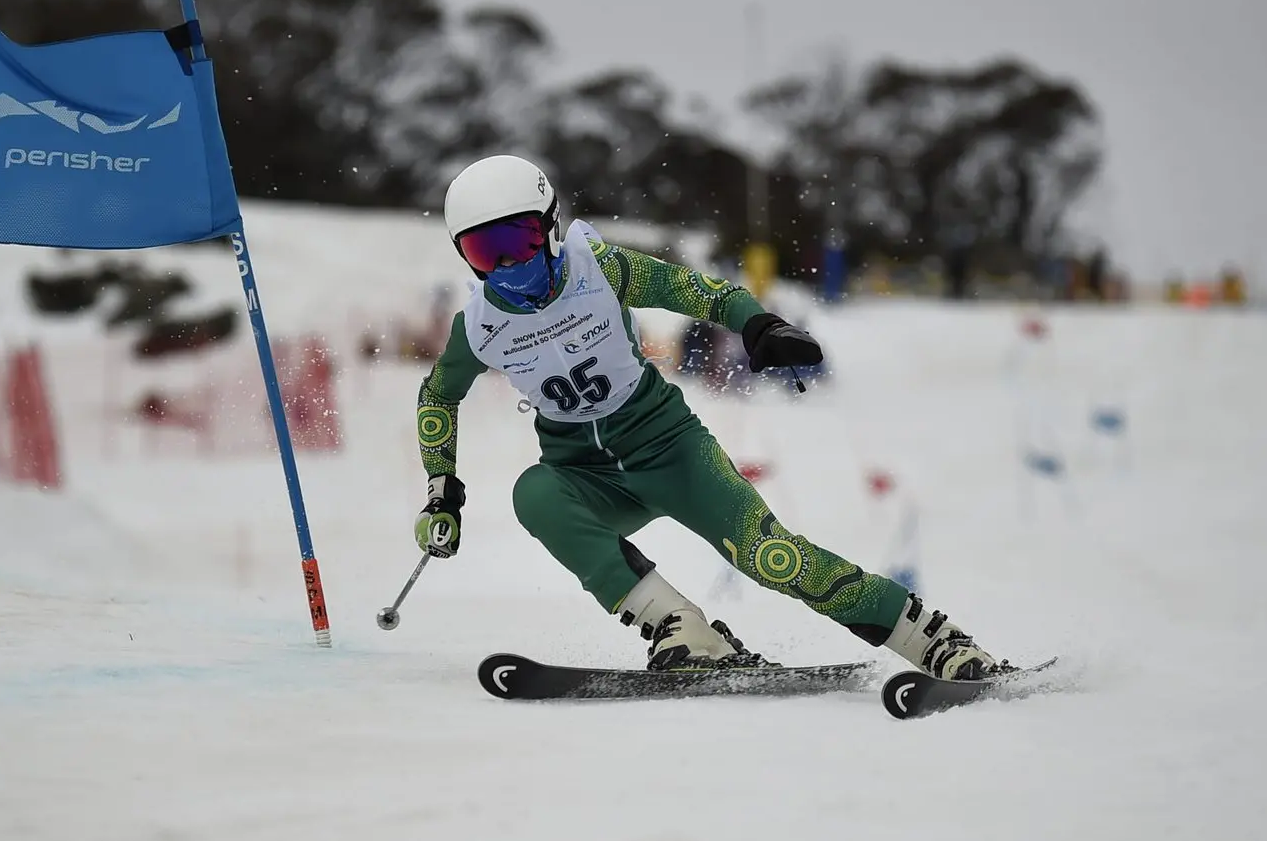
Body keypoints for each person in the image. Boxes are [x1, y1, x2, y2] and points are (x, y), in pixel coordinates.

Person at [414, 154, 1009, 679]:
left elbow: (706, 294)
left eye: (516, 242)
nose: (507, 266)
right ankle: (683, 629)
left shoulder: (600, 269)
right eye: (483, 252)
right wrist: (441, 490)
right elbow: (439, 395)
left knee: (771, 558)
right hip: (585, 472)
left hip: (668, 450)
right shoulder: (480, 327)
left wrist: (760, 324)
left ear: (549, 228)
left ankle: (932, 639)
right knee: (534, 493)